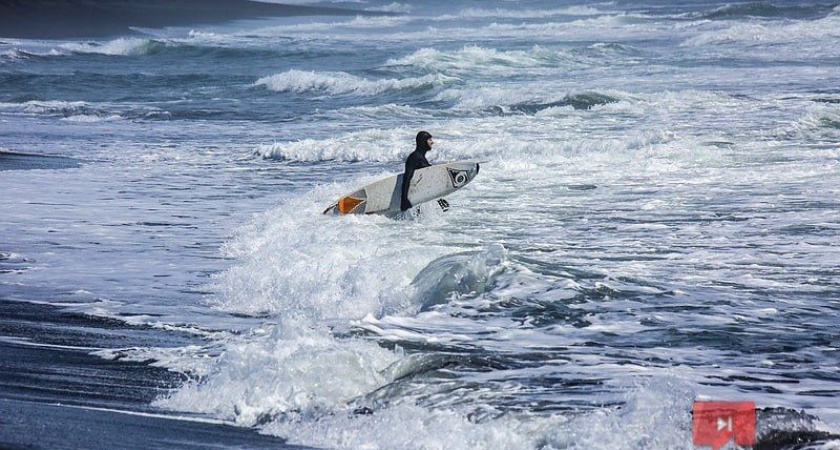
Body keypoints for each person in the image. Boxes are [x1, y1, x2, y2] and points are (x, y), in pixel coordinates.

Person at [401, 131, 449, 212]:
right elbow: (407, 178)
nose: (432, 142)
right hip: (413, 198)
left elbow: (428, 183)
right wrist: (404, 199)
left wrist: (440, 200)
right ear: (423, 141)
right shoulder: (415, 157)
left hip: (419, 199)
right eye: (429, 140)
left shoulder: (421, 158)